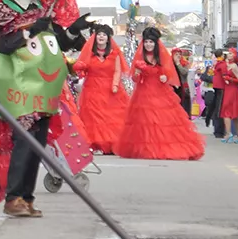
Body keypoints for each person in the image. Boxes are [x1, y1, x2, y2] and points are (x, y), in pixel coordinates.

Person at [0, 0, 90, 217]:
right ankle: (13, 198)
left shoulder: (39, 10)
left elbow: (57, 45)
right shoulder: (3, 8)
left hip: (43, 87)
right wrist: (31, 29)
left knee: (37, 144)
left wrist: (73, 30)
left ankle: (27, 198)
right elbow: (4, 45)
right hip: (19, 87)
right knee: (23, 141)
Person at [115, 27, 204, 161]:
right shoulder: (140, 57)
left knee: (161, 120)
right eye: (146, 42)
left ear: (156, 43)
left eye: (151, 42)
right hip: (143, 92)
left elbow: (169, 73)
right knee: (145, 120)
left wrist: (165, 77)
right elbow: (134, 77)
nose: (148, 45)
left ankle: (163, 147)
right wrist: (138, 74)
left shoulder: (162, 56)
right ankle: (147, 148)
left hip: (160, 91)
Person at [72, 24, 129, 154]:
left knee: (112, 117)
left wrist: (115, 85)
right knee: (94, 116)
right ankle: (96, 144)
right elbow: (82, 70)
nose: (101, 36)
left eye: (104, 34)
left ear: (108, 38)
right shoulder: (89, 55)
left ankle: (113, 144)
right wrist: (79, 68)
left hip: (110, 89)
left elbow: (117, 71)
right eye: (99, 34)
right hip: (92, 88)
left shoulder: (115, 54)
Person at [219, 48, 238, 143]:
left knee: (226, 112)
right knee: (234, 115)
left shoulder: (234, 66)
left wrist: (230, 79)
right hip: (228, 89)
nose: (228, 55)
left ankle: (228, 134)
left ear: (234, 55)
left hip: (233, 90)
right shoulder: (228, 65)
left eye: (230, 53)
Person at [210, 51, 229, 138]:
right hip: (222, 88)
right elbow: (225, 76)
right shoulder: (223, 64)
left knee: (217, 108)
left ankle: (217, 130)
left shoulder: (216, 64)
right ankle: (220, 131)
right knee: (220, 109)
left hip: (216, 87)